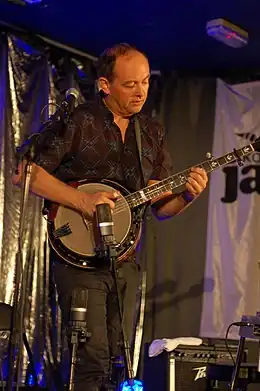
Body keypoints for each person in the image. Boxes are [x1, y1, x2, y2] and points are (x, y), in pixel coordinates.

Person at [12, 43, 208, 391]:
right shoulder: (78, 120)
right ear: (105, 85)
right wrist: (83, 202)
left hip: (124, 259)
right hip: (78, 258)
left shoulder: (152, 133)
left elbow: (161, 209)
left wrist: (188, 195)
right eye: (130, 84)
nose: (141, 92)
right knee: (92, 356)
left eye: (146, 82)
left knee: (119, 357)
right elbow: (27, 174)